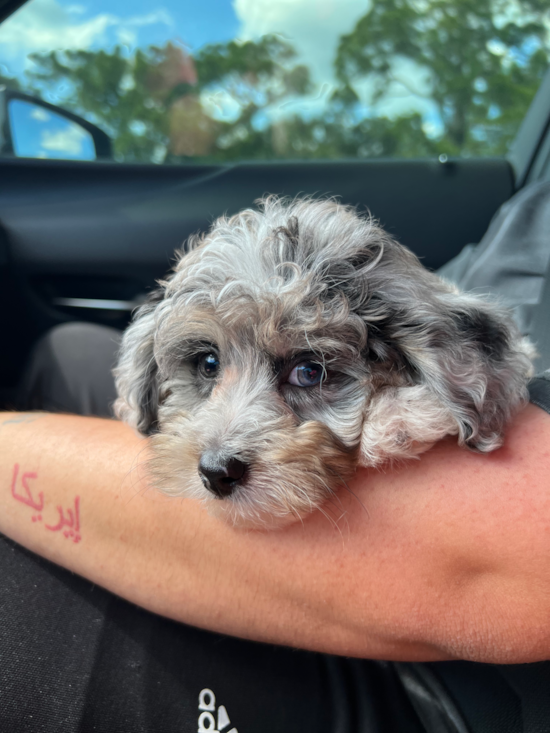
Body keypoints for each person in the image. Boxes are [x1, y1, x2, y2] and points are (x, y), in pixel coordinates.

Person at [2, 182, 550, 732]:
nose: (221, 451)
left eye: (308, 371)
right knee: (66, 347)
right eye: (209, 364)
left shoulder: (448, 356)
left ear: (423, 357)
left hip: (432, 693)